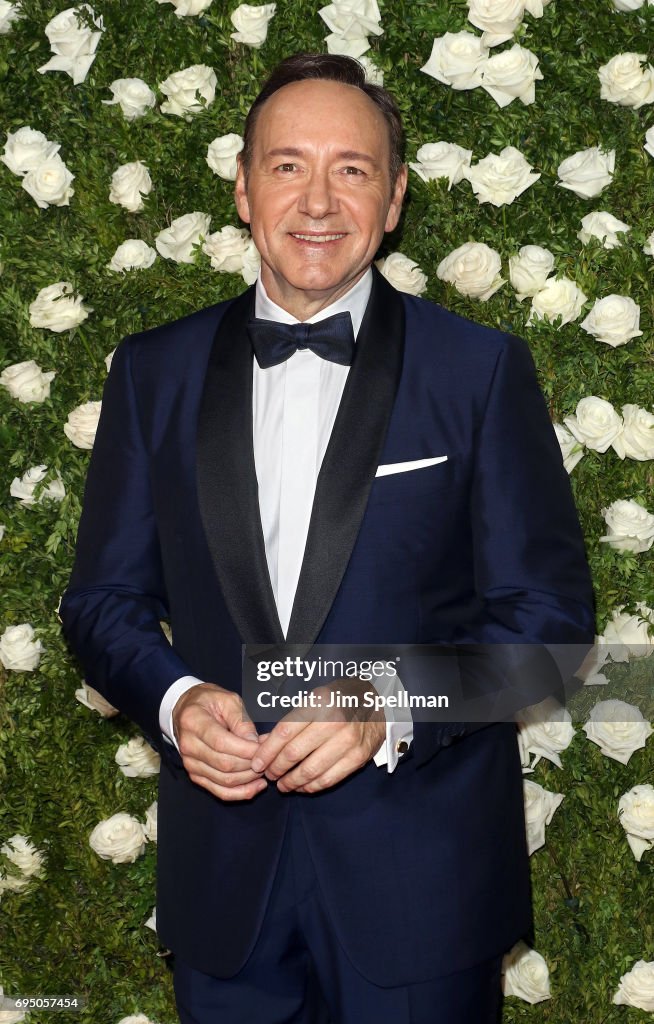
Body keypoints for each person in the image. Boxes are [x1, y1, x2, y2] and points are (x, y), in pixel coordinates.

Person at [60, 53, 595, 1024]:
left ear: (392, 200)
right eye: (287, 164)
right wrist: (176, 702)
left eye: (351, 169)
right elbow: (102, 604)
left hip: (423, 899)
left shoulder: (478, 372)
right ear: (242, 186)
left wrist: (386, 698)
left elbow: (551, 633)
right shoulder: (153, 371)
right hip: (226, 896)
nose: (318, 199)